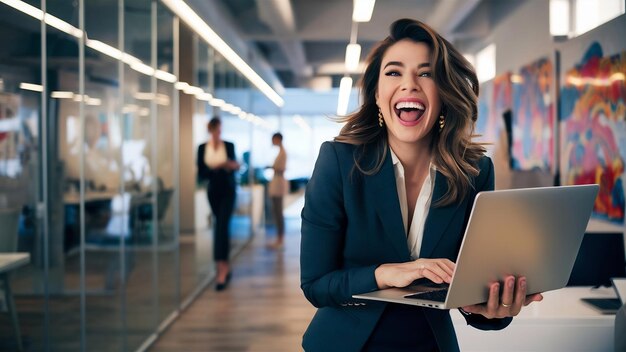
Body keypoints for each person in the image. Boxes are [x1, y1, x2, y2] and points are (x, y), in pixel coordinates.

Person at [300, 19, 543, 352]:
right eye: (394, 72)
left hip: (430, 344)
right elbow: (316, 285)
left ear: (444, 93)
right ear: (376, 93)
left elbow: (472, 286)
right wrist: (384, 274)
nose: (409, 85)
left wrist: (495, 310)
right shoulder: (338, 162)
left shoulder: (475, 171)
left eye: (426, 73)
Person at [197, 117, 240, 291]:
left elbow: (236, 165)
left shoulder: (228, 145)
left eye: (220, 131)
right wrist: (218, 166)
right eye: (216, 130)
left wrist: (229, 165)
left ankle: (221, 269)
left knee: (222, 226)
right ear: (211, 130)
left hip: (228, 190)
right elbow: (201, 172)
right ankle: (224, 265)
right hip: (213, 190)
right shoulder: (202, 148)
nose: (218, 134)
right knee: (219, 227)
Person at [267, 132, 288, 249]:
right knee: (277, 212)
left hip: (278, 184)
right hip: (277, 182)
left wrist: (272, 167)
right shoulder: (281, 152)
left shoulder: (283, 153)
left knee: (278, 212)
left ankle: (280, 239)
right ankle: (279, 238)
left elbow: (280, 168)